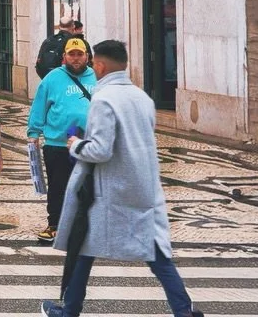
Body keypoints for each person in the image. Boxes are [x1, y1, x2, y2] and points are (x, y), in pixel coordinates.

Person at [42, 40, 203, 317]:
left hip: (110, 191)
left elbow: (100, 150)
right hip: (143, 186)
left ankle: (69, 311)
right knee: (157, 255)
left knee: (83, 248)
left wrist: (75, 145)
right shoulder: (142, 97)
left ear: (100, 65)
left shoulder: (103, 99)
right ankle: (183, 310)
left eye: (94, 63)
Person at [28, 36, 94, 242]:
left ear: (87, 57)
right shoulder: (52, 78)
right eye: (71, 54)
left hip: (88, 144)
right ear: (64, 57)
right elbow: (39, 106)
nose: (75, 58)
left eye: (79, 54)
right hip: (58, 143)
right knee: (58, 186)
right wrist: (33, 133)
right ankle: (55, 224)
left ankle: (85, 226)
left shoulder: (97, 78)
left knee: (88, 186)